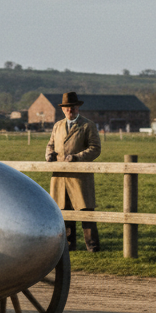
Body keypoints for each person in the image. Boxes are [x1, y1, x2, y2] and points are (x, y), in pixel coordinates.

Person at [45, 92, 101, 253]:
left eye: (74, 107)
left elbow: (95, 148)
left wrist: (77, 157)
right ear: (63, 109)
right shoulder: (57, 126)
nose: (71, 110)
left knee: (85, 211)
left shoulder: (87, 125)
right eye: (68, 107)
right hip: (60, 176)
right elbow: (50, 145)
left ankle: (93, 246)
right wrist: (49, 155)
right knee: (64, 210)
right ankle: (69, 245)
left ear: (78, 108)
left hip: (79, 176)